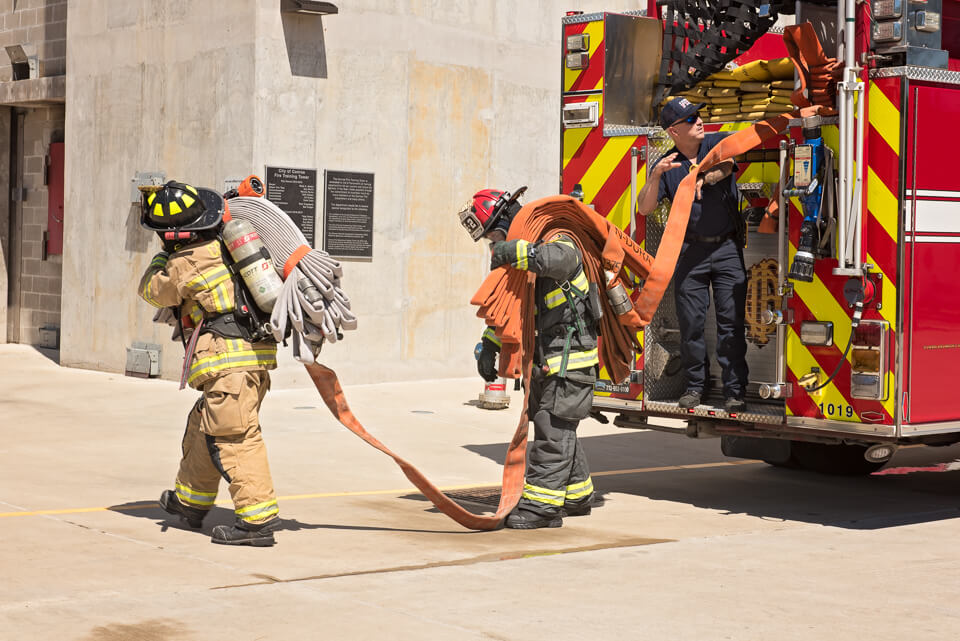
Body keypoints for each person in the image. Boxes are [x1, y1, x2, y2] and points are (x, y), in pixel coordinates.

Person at [137, 180, 281, 547]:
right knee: (204, 425)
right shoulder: (221, 247)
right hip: (247, 360)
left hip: (228, 361)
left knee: (234, 438)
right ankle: (191, 503)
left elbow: (152, 289)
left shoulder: (186, 261)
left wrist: (161, 256)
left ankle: (255, 522)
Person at [459, 187, 599, 529]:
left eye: (493, 233)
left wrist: (514, 251)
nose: (492, 242)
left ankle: (542, 508)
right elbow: (516, 307)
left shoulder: (557, 236)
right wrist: (490, 343)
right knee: (555, 425)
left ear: (505, 219)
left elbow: (561, 261)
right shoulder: (524, 258)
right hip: (548, 358)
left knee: (553, 428)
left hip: (569, 361)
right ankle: (576, 494)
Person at [636, 97, 749, 413]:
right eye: (690, 119)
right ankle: (695, 388)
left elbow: (726, 167)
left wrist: (701, 177)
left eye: (698, 115)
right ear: (674, 131)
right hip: (691, 251)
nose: (699, 120)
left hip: (726, 248)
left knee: (731, 325)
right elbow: (644, 208)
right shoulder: (667, 162)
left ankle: (734, 391)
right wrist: (656, 175)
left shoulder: (716, 141)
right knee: (692, 326)